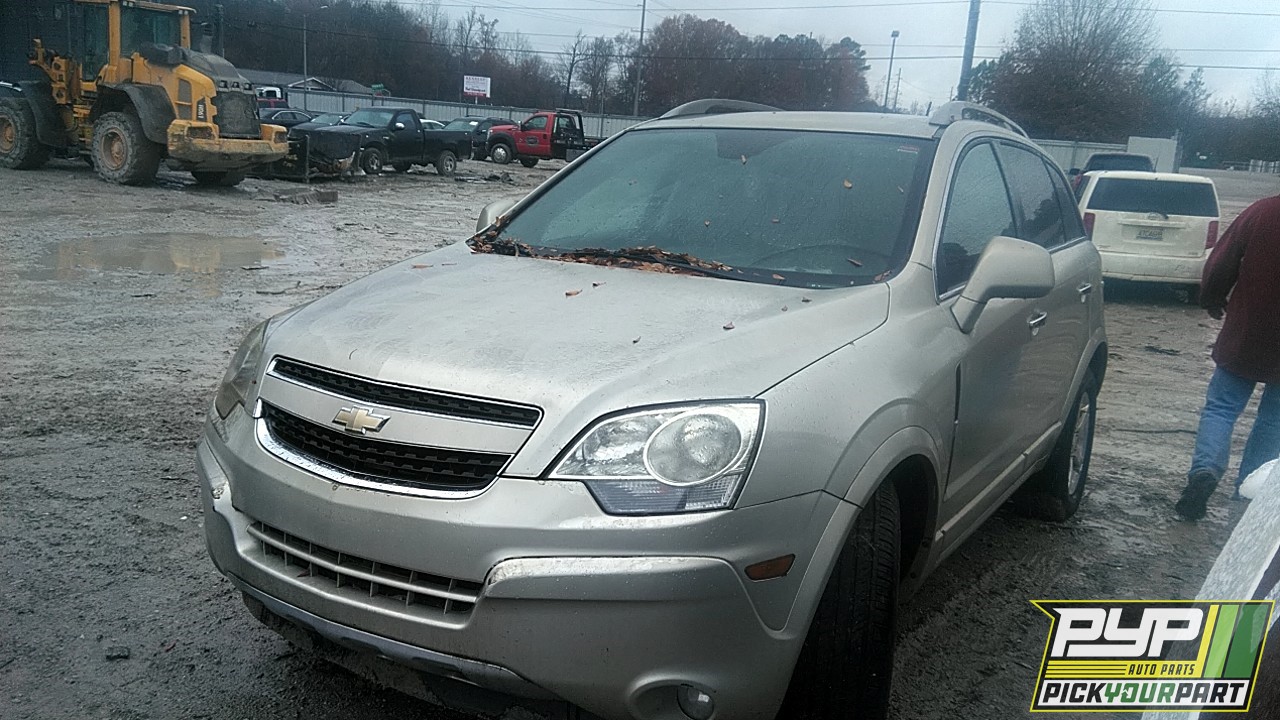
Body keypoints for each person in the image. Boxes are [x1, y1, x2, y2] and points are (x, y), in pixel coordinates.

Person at [1175, 193, 1280, 520]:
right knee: (1274, 420)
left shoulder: (1264, 211)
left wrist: (1212, 296)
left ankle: (1204, 471)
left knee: (1221, 407)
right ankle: (1250, 494)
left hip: (1248, 331)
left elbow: (1224, 258)